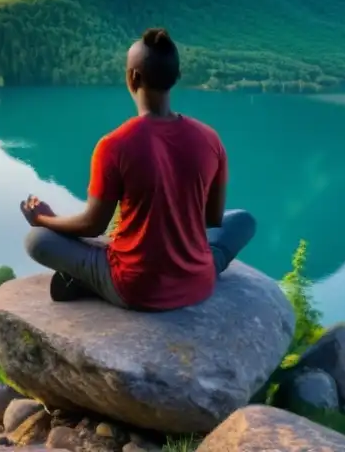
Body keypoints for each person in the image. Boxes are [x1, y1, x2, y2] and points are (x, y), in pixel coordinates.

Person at [20, 27, 256, 310]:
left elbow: (93, 226)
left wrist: (44, 219)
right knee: (242, 221)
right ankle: (201, 265)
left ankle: (88, 281)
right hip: (198, 283)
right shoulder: (210, 138)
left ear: (132, 77)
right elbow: (213, 218)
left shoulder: (114, 145)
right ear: (176, 78)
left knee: (37, 240)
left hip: (135, 288)